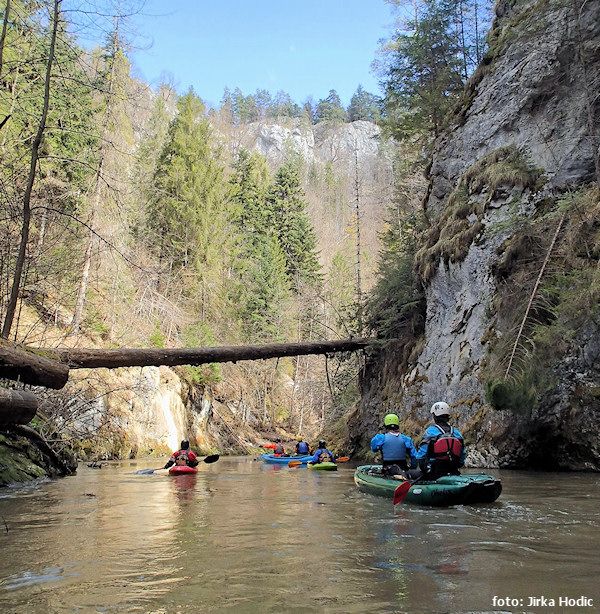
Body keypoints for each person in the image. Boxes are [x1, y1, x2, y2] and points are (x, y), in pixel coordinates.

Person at [416, 401, 466, 480]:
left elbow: (422, 455)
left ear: (435, 416)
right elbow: (462, 455)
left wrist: (425, 469)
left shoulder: (430, 432)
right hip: (454, 471)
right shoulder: (456, 433)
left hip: (436, 472)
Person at [370, 413, 418, 478]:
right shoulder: (406, 439)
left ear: (386, 426)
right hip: (403, 470)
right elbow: (414, 457)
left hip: (388, 471)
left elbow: (374, 449)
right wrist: (412, 467)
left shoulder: (380, 438)